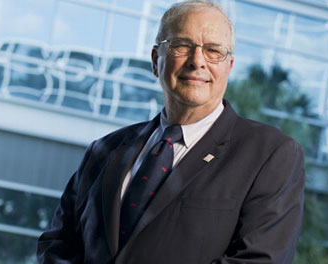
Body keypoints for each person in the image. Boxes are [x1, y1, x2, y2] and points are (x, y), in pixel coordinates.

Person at [37, 0, 305, 263]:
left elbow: (258, 260)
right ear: (156, 60)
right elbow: (57, 246)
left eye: (213, 51)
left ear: (229, 67)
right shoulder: (103, 151)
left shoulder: (270, 155)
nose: (197, 61)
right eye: (182, 45)